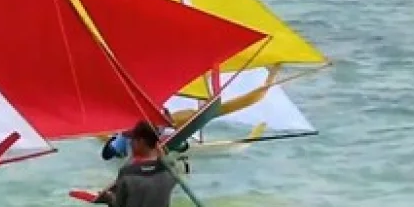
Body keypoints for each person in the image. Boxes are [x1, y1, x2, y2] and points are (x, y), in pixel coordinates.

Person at [99, 65, 281, 162]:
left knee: (178, 138)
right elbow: (107, 153)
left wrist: (272, 75)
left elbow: (250, 99)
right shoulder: (128, 131)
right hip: (130, 144)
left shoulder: (178, 119)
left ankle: (177, 146)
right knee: (113, 147)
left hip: (159, 139)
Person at [99, 122, 178, 207]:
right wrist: (161, 154)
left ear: (141, 141)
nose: (130, 143)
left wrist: (110, 198)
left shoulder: (127, 172)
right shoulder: (170, 171)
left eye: (133, 140)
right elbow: (172, 167)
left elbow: (120, 206)